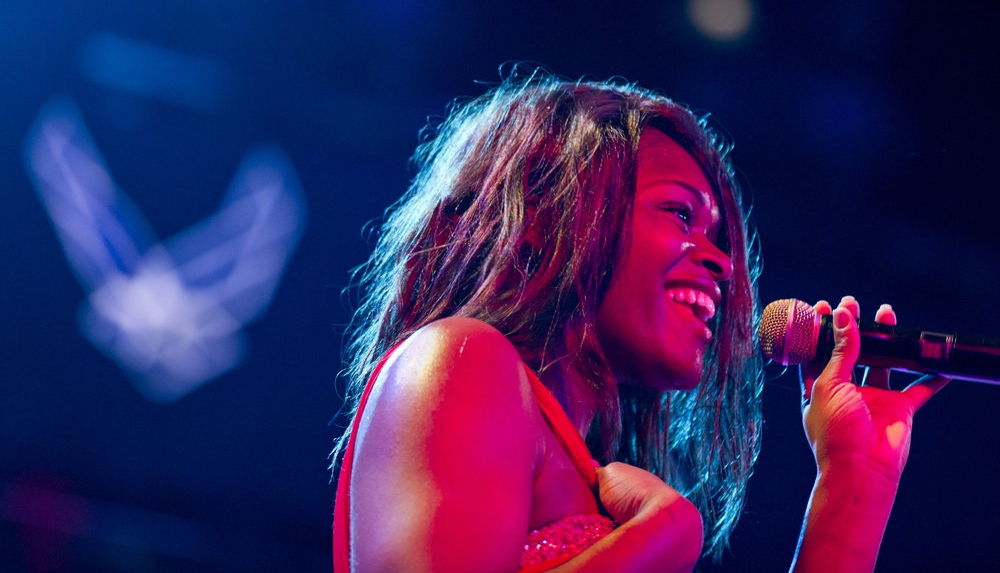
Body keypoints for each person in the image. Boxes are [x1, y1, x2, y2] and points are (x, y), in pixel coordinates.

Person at [330, 69, 948, 572]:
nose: (723, 264)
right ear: (548, 215)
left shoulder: (597, 477)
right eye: (680, 214)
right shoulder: (459, 359)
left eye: (719, 238)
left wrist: (854, 480)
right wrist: (661, 538)